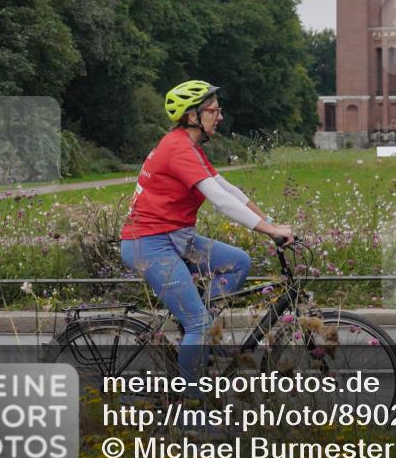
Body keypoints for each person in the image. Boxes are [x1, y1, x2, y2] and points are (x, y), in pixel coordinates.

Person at [120, 80, 293, 395]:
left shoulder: (188, 147)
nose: (220, 116)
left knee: (239, 263)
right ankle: (193, 410)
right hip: (150, 244)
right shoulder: (177, 148)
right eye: (213, 110)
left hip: (176, 238)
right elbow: (220, 200)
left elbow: (228, 189)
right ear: (191, 117)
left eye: (218, 109)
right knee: (198, 323)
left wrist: (270, 222)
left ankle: (198, 335)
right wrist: (269, 231)